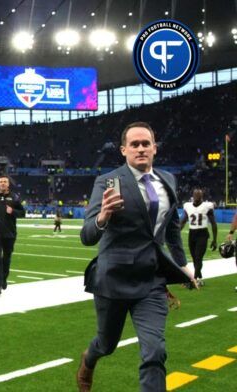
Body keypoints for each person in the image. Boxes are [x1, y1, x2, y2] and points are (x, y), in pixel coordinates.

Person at [76, 122, 196, 392]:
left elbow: (172, 227)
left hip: (151, 281)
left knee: (155, 352)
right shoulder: (107, 182)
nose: (141, 149)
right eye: (135, 144)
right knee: (106, 344)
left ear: (154, 148)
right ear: (123, 150)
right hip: (113, 279)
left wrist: (182, 266)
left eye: (146, 144)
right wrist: (103, 217)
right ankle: (89, 358)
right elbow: (87, 235)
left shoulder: (168, 180)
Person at [0, 175, 25, 296]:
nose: (2, 183)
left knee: (6, 258)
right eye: (0, 182)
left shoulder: (14, 197)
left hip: (10, 233)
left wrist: (13, 211)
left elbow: (23, 213)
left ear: (8, 184)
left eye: (5, 182)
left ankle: (4, 278)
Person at [180, 188, 218, 287]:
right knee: (194, 258)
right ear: (192, 195)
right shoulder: (187, 206)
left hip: (202, 234)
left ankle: (194, 280)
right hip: (192, 234)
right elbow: (183, 220)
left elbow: (213, 224)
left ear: (202, 196)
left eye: (199, 195)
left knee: (198, 257)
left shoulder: (207, 206)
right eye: (195, 195)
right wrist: (177, 232)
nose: (197, 197)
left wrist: (214, 240)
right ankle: (199, 277)